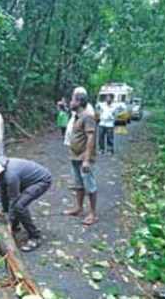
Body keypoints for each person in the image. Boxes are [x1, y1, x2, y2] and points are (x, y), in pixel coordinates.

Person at [0, 155, 52, 252]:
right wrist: (4, 210)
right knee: (15, 206)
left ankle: (35, 236)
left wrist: (9, 220)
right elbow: (3, 191)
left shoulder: (10, 175)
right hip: (26, 180)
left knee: (19, 206)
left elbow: (13, 199)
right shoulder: (0, 167)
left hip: (42, 180)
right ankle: (15, 226)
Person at [63, 87, 99, 225]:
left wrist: (87, 160)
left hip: (83, 158)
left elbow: (91, 138)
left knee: (89, 185)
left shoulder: (87, 116)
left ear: (78, 101)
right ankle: (78, 208)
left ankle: (93, 214)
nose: (70, 102)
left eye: (72, 99)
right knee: (78, 184)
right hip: (75, 156)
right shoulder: (77, 117)